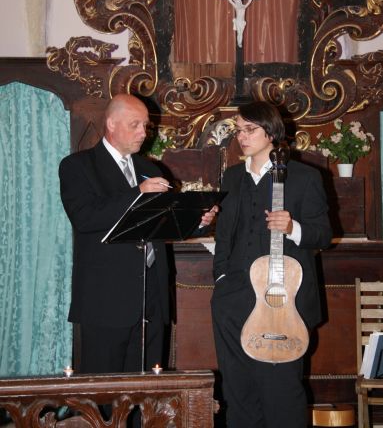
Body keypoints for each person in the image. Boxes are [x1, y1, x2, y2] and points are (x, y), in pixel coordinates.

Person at [59, 93, 215, 376]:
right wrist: (137, 194)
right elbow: (85, 217)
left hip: (152, 297)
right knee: (105, 389)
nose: (144, 133)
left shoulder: (149, 168)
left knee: (148, 389)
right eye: (135, 125)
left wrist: (198, 222)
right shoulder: (78, 166)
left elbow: (162, 223)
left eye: (146, 126)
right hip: (106, 299)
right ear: (111, 123)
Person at [211, 101, 332, 428]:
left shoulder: (305, 177)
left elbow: (323, 235)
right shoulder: (232, 177)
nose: (241, 137)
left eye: (249, 129)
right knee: (237, 390)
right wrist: (221, 279)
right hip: (232, 299)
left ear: (271, 132)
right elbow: (224, 236)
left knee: (281, 391)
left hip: (283, 300)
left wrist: (293, 228)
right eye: (238, 130)